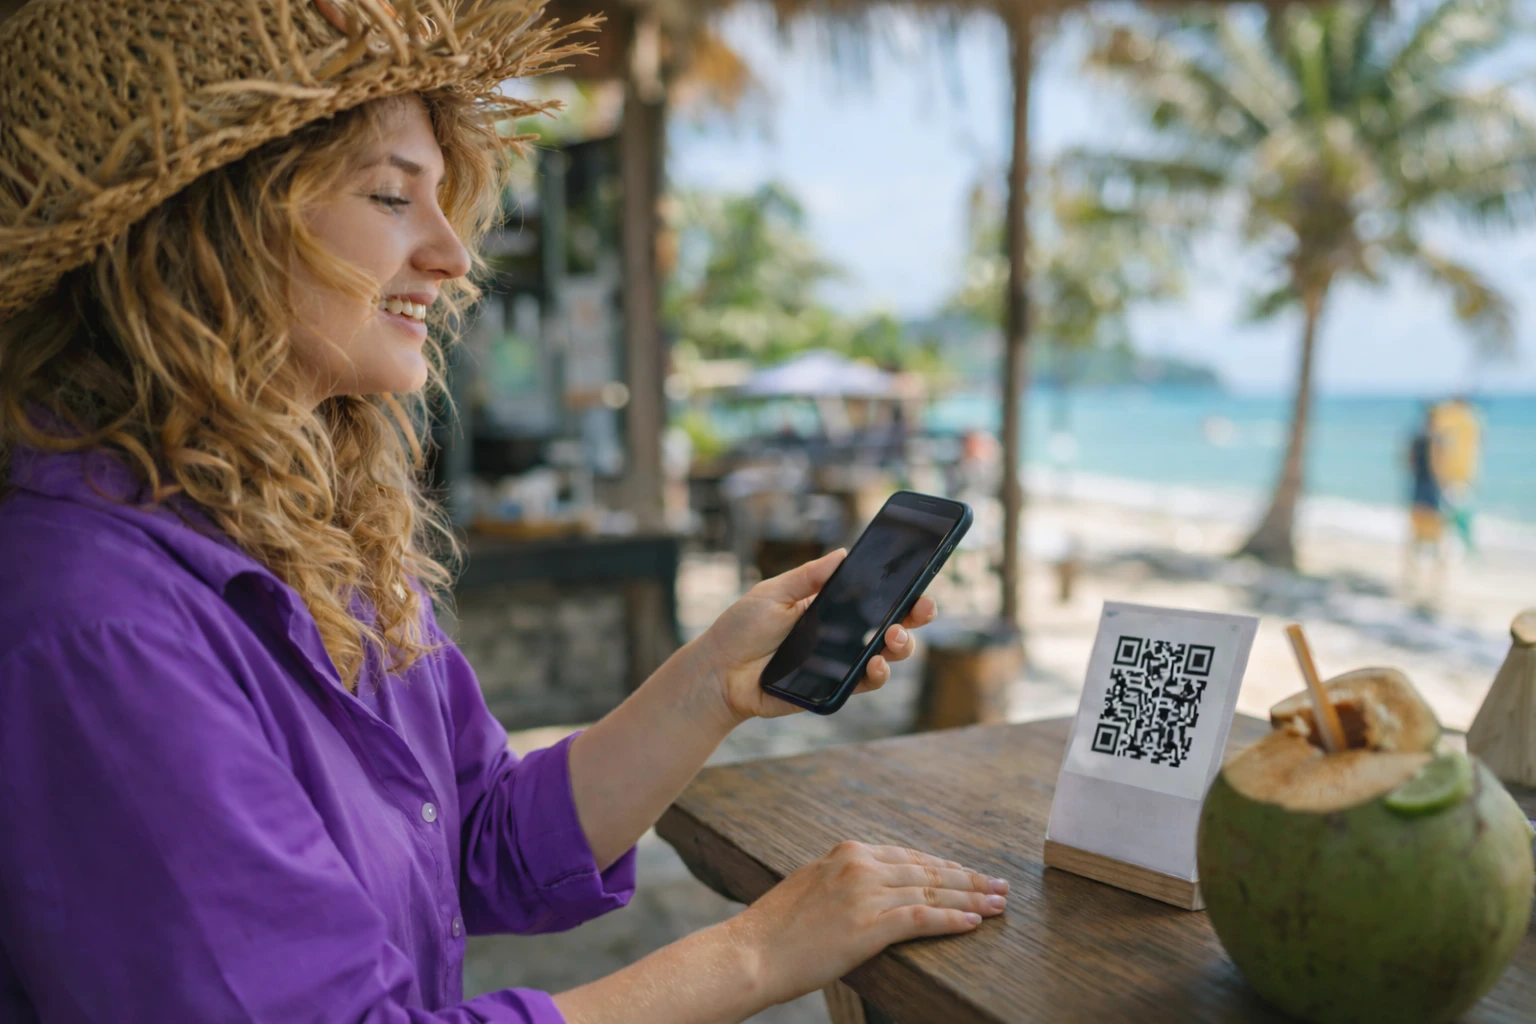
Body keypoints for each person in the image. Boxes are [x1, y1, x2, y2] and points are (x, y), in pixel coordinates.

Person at [0, 2, 1008, 1022]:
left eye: (443, 200)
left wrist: (714, 679)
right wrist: (756, 953)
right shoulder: (92, 623)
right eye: (393, 195)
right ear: (211, 224)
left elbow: (475, 837)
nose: (452, 254)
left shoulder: (308, 531)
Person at [1404, 404, 1447, 602]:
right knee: (1437, 545)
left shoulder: (1416, 440)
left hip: (1416, 495)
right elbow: (1440, 469)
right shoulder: (1437, 441)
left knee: (1415, 541)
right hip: (1432, 498)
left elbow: (1409, 464)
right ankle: (1434, 587)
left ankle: (1411, 582)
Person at [1430, 395, 1482, 554]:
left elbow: (1438, 446)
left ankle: (1453, 549)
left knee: (1449, 515)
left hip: (1450, 476)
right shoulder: (1473, 420)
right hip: (1465, 476)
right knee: (1458, 514)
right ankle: (1466, 548)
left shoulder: (1447, 418)